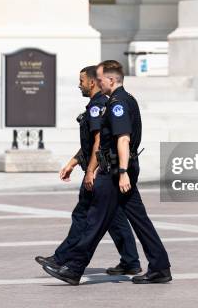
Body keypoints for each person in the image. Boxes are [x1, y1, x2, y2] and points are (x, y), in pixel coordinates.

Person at [42, 60, 172, 285]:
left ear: (111, 79)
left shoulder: (118, 103)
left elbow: (123, 139)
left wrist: (122, 172)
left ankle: (73, 268)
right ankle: (160, 266)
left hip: (114, 171)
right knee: (139, 220)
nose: (97, 82)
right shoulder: (125, 99)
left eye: (100, 78)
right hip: (120, 168)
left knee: (95, 220)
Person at [34, 66, 141, 275]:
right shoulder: (102, 103)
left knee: (84, 216)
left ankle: (63, 259)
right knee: (115, 218)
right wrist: (73, 163)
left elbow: (99, 142)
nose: (79, 84)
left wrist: (90, 171)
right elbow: (90, 143)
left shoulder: (97, 107)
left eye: (82, 81)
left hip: (101, 171)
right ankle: (130, 261)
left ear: (92, 82)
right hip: (103, 169)